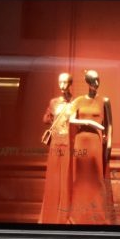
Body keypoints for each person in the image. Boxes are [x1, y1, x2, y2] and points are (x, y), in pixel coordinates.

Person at [68, 69, 115, 225]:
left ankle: (98, 217)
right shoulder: (79, 100)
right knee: (80, 180)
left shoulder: (105, 100)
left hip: (95, 143)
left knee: (96, 181)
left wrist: (109, 146)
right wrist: (89, 122)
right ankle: (79, 217)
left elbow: (109, 125)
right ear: (87, 82)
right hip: (81, 142)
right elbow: (71, 120)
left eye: (98, 80)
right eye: (92, 80)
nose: (96, 83)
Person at [38, 72, 74, 224]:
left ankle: (64, 215)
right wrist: (51, 117)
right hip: (55, 143)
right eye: (60, 82)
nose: (62, 85)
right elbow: (45, 119)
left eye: (65, 82)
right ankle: (50, 214)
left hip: (68, 143)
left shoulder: (75, 102)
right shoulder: (54, 102)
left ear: (70, 84)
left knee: (66, 178)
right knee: (53, 177)